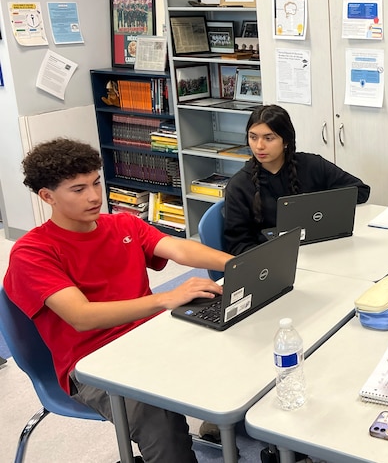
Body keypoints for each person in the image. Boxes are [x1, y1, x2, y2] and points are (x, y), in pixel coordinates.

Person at [3, 138, 234, 462]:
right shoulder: (32, 252)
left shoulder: (122, 223)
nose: (95, 196)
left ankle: (228, 422)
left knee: (239, 339)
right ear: (47, 196)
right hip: (92, 363)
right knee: (159, 418)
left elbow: (180, 249)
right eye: (78, 189)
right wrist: (164, 299)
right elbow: (81, 316)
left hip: (151, 336)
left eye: (96, 182)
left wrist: (237, 264)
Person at [224, 104, 370, 255]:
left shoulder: (312, 165)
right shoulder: (239, 185)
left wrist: (314, 208)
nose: (259, 146)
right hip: (274, 260)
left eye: (269, 138)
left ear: (285, 141)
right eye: (253, 137)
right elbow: (237, 246)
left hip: (319, 251)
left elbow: (360, 190)